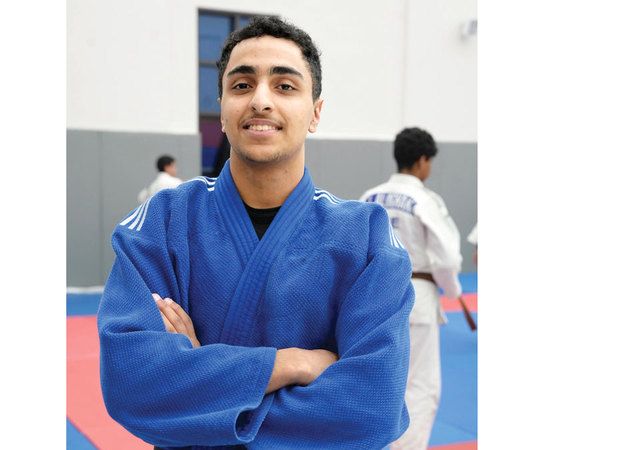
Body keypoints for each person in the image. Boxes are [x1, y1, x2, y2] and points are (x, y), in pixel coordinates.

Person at [98, 16, 415, 449]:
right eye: (242, 85)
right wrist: (291, 365)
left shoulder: (365, 237)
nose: (260, 101)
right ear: (222, 109)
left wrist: (198, 383)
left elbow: (371, 407)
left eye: (284, 86)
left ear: (315, 112)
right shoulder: (164, 222)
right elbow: (132, 384)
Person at [360, 127, 464, 450]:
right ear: (422, 161)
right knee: (421, 387)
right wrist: (453, 290)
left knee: (381, 381)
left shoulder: (369, 197)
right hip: (417, 298)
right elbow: (447, 258)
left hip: (374, 299)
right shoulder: (426, 200)